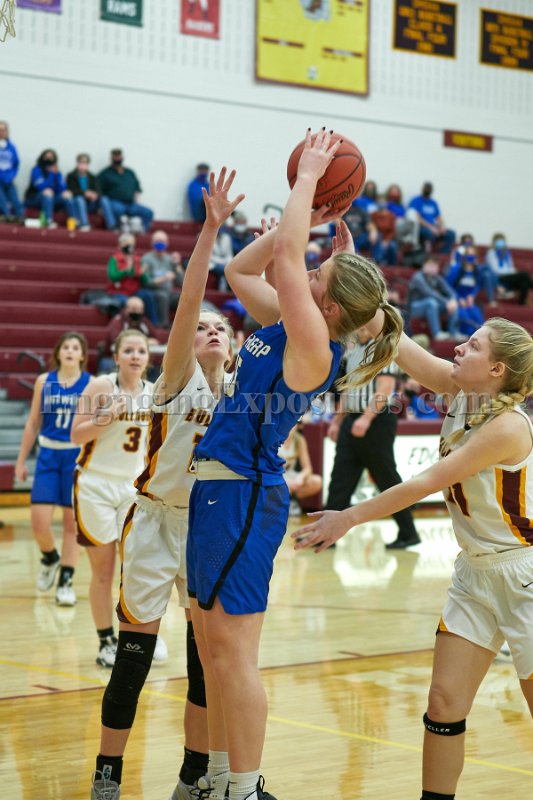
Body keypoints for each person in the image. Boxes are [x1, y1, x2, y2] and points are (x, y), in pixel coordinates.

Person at [186, 129, 403, 800]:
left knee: (233, 654)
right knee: (212, 651)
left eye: (316, 279)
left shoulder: (314, 347)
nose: (304, 275)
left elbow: (282, 259)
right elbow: (239, 273)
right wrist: (312, 226)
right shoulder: (288, 325)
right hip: (218, 490)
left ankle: (245, 787)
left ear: (329, 308)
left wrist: (308, 181)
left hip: (244, 496)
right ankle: (218, 778)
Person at [293, 316, 533, 800]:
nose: (459, 348)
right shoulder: (461, 391)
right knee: (443, 703)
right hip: (474, 573)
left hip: (522, 573)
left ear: (497, 369)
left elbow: (425, 482)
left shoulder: (508, 426)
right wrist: (364, 294)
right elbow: (398, 342)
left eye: (474, 346)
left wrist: (349, 517)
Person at [90, 167, 244, 800]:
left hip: (207, 528)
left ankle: (192, 777)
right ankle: (108, 775)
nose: (210, 330)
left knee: (206, 665)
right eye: (203, 327)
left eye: (221, 328)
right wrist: (210, 232)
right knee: (135, 658)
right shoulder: (177, 379)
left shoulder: (243, 393)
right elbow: (187, 302)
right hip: (154, 522)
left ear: (235, 345)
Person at [71, 331, 154, 668]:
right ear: (116, 357)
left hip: (132, 488)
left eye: (141, 351)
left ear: (148, 358)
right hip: (95, 485)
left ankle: (140, 636)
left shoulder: (155, 393)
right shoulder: (100, 387)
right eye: (128, 350)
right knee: (103, 571)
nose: (135, 356)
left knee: (134, 568)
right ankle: (106, 640)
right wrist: (104, 419)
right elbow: (75, 435)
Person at [326, 326, 420, 549]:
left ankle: (408, 533)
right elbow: (347, 390)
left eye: (362, 323)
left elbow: (384, 389)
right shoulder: (352, 352)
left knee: (386, 478)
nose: (357, 328)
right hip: (352, 419)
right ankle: (325, 533)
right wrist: (337, 422)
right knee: (340, 478)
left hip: (376, 421)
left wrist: (366, 419)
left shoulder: (382, 348)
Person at [14, 332, 91, 606]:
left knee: (72, 525)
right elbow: (33, 423)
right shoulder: (44, 381)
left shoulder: (91, 384)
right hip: (47, 456)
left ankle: (66, 581)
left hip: (75, 458)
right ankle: (50, 558)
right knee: (39, 523)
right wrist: (21, 461)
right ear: (58, 353)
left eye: (75, 347)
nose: (70, 351)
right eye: (65, 347)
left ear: (82, 355)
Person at [98, 296, 161, 375]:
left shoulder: (144, 321)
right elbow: (116, 340)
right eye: (133, 309)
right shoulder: (118, 320)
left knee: (155, 369)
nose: (136, 312)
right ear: (126, 309)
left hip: (136, 358)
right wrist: (145, 341)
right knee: (109, 365)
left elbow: (155, 340)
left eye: (139, 309)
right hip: (112, 358)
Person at [106, 232, 159, 324]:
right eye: (126, 243)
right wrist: (125, 270)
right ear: (120, 246)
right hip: (119, 292)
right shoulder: (115, 259)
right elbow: (113, 277)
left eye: (131, 244)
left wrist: (142, 274)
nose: (129, 246)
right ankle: (122, 324)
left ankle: (153, 324)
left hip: (135, 291)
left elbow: (145, 281)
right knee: (126, 302)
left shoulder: (137, 259)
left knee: (148, 296)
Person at [408, 256, 463, 341]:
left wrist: (452, 300)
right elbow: (429, 292)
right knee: (431, 302)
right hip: (415, 307)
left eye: (435, 266)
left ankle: (454, 333)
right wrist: (446, 302)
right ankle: (436, 333)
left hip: (432, 306)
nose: (433, 268)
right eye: (430, 265)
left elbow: (451, 291)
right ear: (424, 265)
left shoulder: (437, 278)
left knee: (453, 304)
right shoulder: (417, 277)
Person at [98, 149, 154, 232]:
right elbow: (98, 191)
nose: (117, 159)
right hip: (114, 202)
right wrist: (101, 207)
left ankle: (142, 230)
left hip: (130, 203)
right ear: (111, 158)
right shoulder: (105, 174)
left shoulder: (130, 172)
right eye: (115, 156)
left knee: (148, 212)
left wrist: (137, 202)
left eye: (119, 156)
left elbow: (137, 189)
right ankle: (119, 227)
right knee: (119, 210)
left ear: (122, 157)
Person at [24, 149, 77, 229]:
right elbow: (40, 186)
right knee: (48, 192)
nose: (49, 159)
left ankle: (72, 222)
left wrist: (57, 175)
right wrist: (51, 174)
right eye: (47, 157)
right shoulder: (37, 169)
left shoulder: (57, 172)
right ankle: (48, 221)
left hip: (52, 198)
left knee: (67, 195)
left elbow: (62, 188)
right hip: (34, 198)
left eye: (51, 157)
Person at [141, 230, 184, 326]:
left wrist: (177, 265)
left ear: (167, 243)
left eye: (162, 241)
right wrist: (164, 278)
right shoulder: (146, 259)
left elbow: (181, 282)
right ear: (152, 243)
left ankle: (183, 325)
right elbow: (145, 282)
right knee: (163, 296)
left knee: (183, 298)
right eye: (157, 241)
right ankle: (163, 325)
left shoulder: (170, 259)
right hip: (153, 292)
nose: (160, 243)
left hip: (169, 292)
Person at [279, 425, 323, 515]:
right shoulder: (273, 438)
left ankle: (293, 500)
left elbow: (308, 468)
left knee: (317, 481)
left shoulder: (299, 440)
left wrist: (301, 477)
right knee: (285, 484)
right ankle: (280, 505)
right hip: (276, 475)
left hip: (290, 475)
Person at [66, 153, 115, 232]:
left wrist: (95, 195)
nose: (83, 165)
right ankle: (84, 223)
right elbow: (70, 191)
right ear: (77, 164)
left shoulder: (93, 177)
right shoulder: (71, 176)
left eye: (85, 163)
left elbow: (99, 191)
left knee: (104, 199)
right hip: (78, 204)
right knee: (79, 199)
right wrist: (85, 193)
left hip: (91, 204)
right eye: (81, 163)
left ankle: (111, 225)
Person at [485, 232, 533, 306]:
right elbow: (495, 270)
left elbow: (511, 266)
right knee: (525, 275)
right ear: (494, 242)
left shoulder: (507, 253)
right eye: (498, 241)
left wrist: (513, 271)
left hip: (509, 276)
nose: (500, 243)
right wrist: (511, 272)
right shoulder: (491, 253)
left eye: (502, 241)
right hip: (498, 277)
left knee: (524, 282)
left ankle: (521, 303)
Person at [446, 246, 485, 337]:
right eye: (469, 254)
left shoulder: (477, 270)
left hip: (469, 300)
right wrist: (458, 298)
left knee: (476, 314)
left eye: (473, 255)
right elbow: (447, 286)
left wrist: (472, 296)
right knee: (463, 314)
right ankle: (468, 336)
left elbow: (477, 285)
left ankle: (479, 337)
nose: (470, 257)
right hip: (456, 299)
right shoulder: (457, 269)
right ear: (464, 256)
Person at [408, 182, 455, 254]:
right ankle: (427, 255)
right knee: (428, 234)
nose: (427, 191)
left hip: (434, 227)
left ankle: (442, 254)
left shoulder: (433, 202)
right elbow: (417, 218)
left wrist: (442, 227)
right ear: (422, 189)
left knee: (451, 234)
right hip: (422, 228)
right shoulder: (416, 200)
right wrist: (431, 228)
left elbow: (439, 217)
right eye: (426, 189)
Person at [0, 120, 24, 221]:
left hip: (8, 179)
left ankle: (20, 216)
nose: (1, 132)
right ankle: (7, 216)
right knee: (2, 199)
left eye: (3, 130)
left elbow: (15, 164)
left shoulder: (12, 147)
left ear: (7, 132)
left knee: (15, 198)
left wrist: (11, 175)